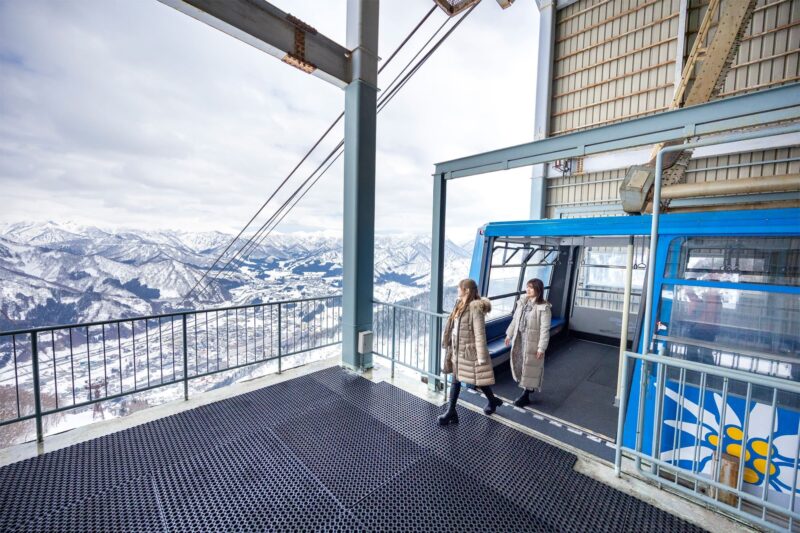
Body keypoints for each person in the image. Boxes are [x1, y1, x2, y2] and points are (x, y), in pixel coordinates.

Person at [438, 278, 502, 425]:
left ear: (466, 290)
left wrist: (481, 356)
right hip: (456, 350)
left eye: (459, 287)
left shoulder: (475, 309)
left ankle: (492, 401)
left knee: (478, 380)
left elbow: (480, 333)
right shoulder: (459, 304)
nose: (457, 289)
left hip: (468, 352)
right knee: (456, 380)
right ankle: (451, 411)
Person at [504, 278, 552, 407]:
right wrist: (509, 334)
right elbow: (515, 320)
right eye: (527, 286)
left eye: (531, 287)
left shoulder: (544, 308)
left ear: (538, 290)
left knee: (530, 368)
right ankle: (525, 390)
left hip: (532, 341)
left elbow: (544, 329)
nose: (528, 289)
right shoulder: (522, 303)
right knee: (520, 363)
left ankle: (526, 394)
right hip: (520, 338)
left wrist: (541, 347)